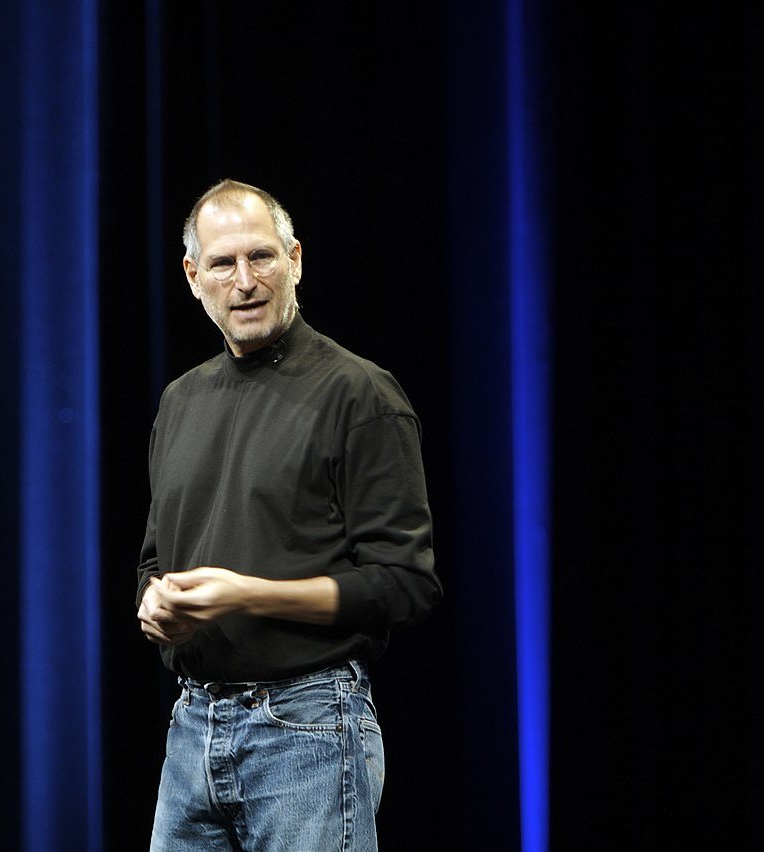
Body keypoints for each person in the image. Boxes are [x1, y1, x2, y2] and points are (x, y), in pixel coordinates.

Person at [136, 179, 441, 851]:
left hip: (306, 727)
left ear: (295, 259)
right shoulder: (180, 401)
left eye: (262, 257)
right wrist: (155, 605)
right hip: (192, 727)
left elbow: (404, 584)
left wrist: (246, 595)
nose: (244, 281)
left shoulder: (358, 393)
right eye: (222, 263)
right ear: (193, 276)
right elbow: (156, 560)